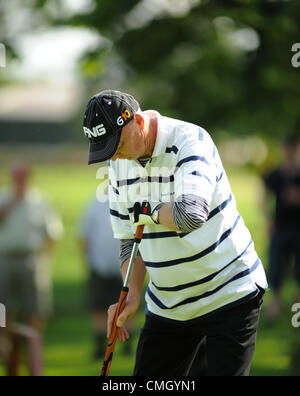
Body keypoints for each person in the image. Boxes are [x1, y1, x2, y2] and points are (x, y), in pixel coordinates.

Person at [82, 90, 268, 376]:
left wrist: (149, 209)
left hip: (229, 293)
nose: (114, 155)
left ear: (138, 122)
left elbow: (191, 214)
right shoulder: (117, 164)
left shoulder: (190, 141)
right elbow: (128, 240)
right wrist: (131, 292)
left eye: (115, 145)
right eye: (106, 149)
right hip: (169, 304)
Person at [0, 162, 63, 372]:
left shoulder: (40, 201)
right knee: (3, 308)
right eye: (16, 175)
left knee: (35, 308)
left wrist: (44, 258)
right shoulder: (2, 197)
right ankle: (6, 351)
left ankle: (33, 354)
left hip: (32, 260)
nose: (20, 179)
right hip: (4, 260)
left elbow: (52, 233)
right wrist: (12, 202)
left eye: (23, 175)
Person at [77, 195, 135, 359]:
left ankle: (128, 347)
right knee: (98, 307)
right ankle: (99, 348)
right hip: (98, 265)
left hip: (126, 266)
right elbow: (84, 235)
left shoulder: (129, 202)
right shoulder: (94, 204)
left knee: (128, 304)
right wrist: (88, 261)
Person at [262, 136, 300, 321]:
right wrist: (268, 221)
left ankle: (297, 308)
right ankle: (275, 303)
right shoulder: (275, 174)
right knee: (276, 266)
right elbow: (263, 197)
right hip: (280, 228)